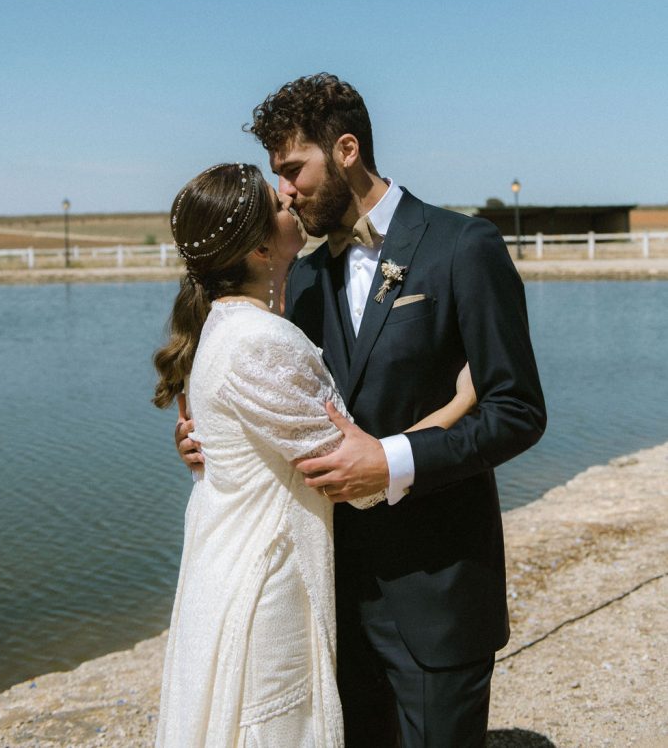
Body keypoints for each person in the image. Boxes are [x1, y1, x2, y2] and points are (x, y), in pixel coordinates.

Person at [177, 75, 547, 748]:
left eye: (294, 169)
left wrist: (393, 461)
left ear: (346, 150)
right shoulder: (301, 277)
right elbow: (281, 400)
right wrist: (216, 439)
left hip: (438, 592)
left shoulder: (463, 247)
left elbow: (517, 410)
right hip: (328, 600)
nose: (284, 191)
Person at [155, 161, 479, 747]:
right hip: (266, 577)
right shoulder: (261, 341)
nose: (289, 198)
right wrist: (461, 401)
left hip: (228, 557)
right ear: (259, 250)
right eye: (276, 204)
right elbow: (355, 472)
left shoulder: (229, 326)